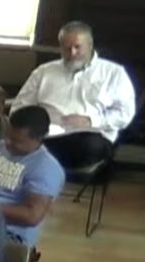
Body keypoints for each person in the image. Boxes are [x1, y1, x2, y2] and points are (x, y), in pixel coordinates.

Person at [14, 21, 136, 174]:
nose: (72, 53)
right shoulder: (44, 72)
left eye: (77, 47)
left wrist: (90, 121)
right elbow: (20, 106)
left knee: (90, 147)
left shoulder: (114, 73)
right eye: (66, 48)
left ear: (90, 45)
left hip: (89, 135)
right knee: (21, 141)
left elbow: (125, 114)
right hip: (46, 134)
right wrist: (36, 124)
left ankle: (46, 172)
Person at [0, 106, 65, 246]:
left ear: (38, 139)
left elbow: (32, 216)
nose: (7, 142)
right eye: (7, 135)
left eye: (16, 140)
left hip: (9, 234)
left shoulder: (46, 168)